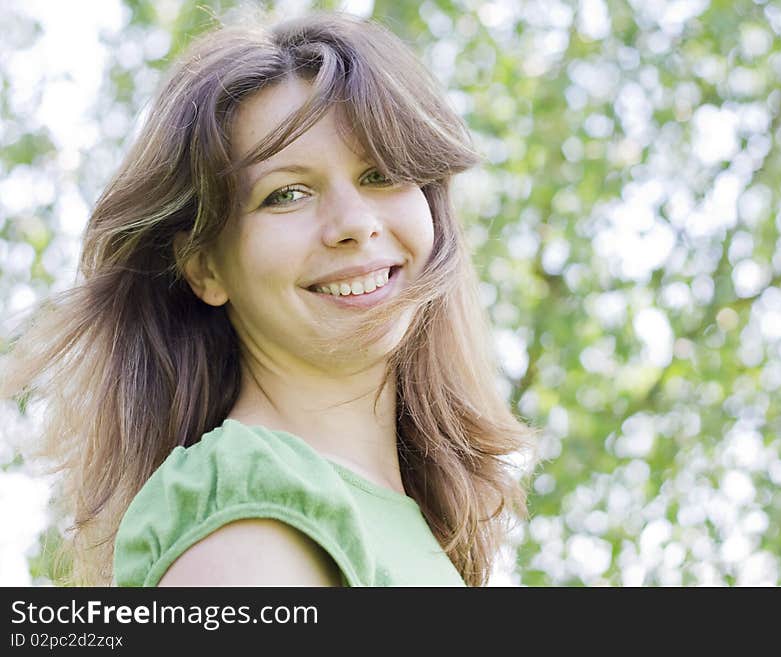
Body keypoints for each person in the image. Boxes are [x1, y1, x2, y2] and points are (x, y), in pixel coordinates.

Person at [0, 9, 538, 587]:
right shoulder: (249, 519)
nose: (355, 224)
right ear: (204, 266)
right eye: (287, 193)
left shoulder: (402, 516)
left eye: (381, 175)